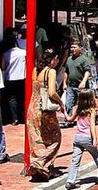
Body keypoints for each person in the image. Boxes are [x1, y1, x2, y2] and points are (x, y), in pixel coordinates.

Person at [25, 49, 65, 180]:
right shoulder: (51, 72)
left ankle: (45, 168)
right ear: (53, 59)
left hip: (33, 108)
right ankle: (39, 163)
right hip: (45, 110)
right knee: (55, 138)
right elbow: (52, 92)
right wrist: (61, 102)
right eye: (57, 59)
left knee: (37, 138)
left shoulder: (35, 70)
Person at [64, 90, 98, 189]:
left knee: (75, 160)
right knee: (97, 156)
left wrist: (64, 112)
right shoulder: (91, 110)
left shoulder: (78, 109)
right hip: (87, 138)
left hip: (77, 138)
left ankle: (70, 181)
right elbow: (92, 126)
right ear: (90, 99)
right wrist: (95, 139)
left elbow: (69, 119)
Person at [63, 40, 92, 124]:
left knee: (85, 104)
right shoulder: (69, 59)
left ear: (80, 48)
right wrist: (64, 83)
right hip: (70, 86)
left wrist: (83, 81)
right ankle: (68, 120)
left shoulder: (84, 59)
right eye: (71, 47)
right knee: (68, 103)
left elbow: (87, 71)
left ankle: (89, 119)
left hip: (81, 87)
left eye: (74, 47)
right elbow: (66, 72)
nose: (72, 49)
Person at [1, 32, 26, 125]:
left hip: (10, 78)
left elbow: (3, 67)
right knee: (22, 97)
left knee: (12, 99)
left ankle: (14, 118)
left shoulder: (5, 54)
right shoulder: (23, 53)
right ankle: (22, 116)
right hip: (21, 78)